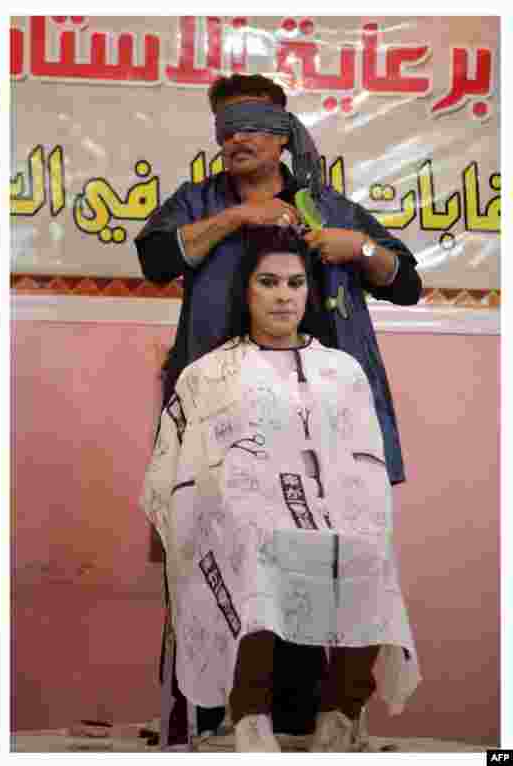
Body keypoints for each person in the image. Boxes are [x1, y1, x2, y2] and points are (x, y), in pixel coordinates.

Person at [135, 72, 421, 734]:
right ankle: (224, 725)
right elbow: (153, 257)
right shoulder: (198, 201)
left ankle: (313, 721)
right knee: (222, 568)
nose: (235, 139)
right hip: (228, 420)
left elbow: (406, 283)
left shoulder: (330, 210)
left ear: (284, 133)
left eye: (250, 126)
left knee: (326, 567)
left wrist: (363, 250)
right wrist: (238, 218)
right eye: (225, 129)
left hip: (324, 428)